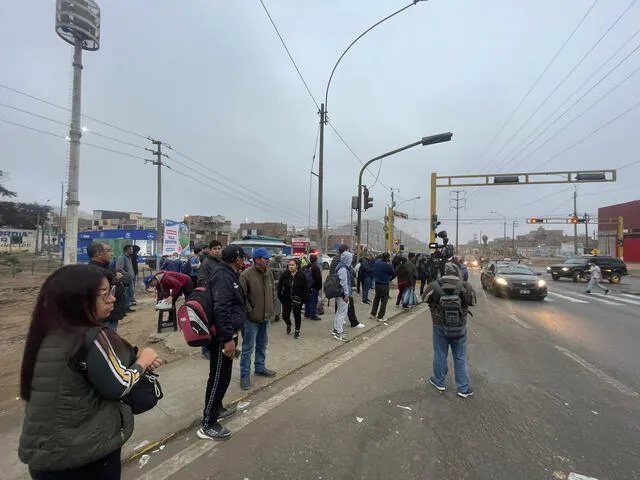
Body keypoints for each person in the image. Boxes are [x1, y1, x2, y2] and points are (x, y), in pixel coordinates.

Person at [18, 264, 162, 479]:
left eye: (111, 292)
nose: (112, 299)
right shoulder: (91, 336)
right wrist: (144, 360)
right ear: (78, 299)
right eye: (105, 294)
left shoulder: (47, 332)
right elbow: (119, 385)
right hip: (85, 453)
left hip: (44, 452)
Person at [198, 245, 247, 441]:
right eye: (242, 257)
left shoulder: (229, 273)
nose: (243, 261)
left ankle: (217, 408)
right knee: (218, 377)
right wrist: (228, 338)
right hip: (221, 337)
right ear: (237, 258)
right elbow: (221, 309)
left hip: (229, 333)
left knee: (224, 375)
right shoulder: (222, 276)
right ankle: (208, 424)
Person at [422, 262, 475, 398]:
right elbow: (473, 302)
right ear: (458, 272)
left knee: (440, 354)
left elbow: (424, 298)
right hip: (460, 326)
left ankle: (439, 381)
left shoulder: (434, 285)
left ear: (444, 272)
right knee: (460, 357)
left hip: (439, 325)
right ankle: (463, 388)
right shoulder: (465, 286)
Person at [239, 248, 277, 390]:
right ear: (257, 259)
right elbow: (242, 298)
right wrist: (250, 311)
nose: (268, 260)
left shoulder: (269, 273)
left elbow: (272, 291)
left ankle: (260, 367)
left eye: (268, 258)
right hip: (251, 319)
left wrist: (272, 307)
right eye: (265, 258)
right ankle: (244, 376)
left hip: (266, 317)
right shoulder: (246, 275)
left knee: (262, 345)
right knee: (248, 348)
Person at [87, 242, 128, 330]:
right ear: (98, 254)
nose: (112, 254)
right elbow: (110, 292)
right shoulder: (95, 272)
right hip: (106, 316)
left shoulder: (107, 268)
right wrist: (117, 279)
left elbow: (126, 281)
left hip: (112, 313)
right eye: (108, 251)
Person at [277, 258, 309, 339]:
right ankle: (288, 324)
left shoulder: (301, 275)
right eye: (289, 265)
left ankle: (297, 330)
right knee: (285, 315)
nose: (290, 267)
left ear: (297, 266)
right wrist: (280, 296)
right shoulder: (285, 274)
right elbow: (280, 285)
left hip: (297, 298)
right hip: (286, 298)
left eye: (292, 265)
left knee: (297, 314)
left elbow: (305, 288)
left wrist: (304, 299)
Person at [332, 250, 355, 342]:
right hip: (342, 294)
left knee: (339, 312)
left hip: (339, 293)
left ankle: (336, 330)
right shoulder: (343, 269)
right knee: (342, 313)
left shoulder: (340, 266)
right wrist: (346, 294)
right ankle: (339, 333)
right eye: (350, 258)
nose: (351, 260)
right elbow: (344, 283)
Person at [370, 252, 396, 322]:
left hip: (377, 284)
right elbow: (393, 273)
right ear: (387, 258)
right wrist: (389, 279)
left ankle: (373, 314)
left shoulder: (376, 263)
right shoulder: (388, 266)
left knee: (376, 299)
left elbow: (373, 271)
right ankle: (380, 317)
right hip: (384, 284)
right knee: (384, 301)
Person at [116, 245, 136, 312]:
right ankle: (125, 309)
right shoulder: (121, 257)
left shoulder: (128, 257)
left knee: (130, 293)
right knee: (126, 294)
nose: (132, 251)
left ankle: (127, 307)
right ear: (127, 250)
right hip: (126, 280)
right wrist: (128, 275)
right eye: (131, 249)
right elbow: (119, 269)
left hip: (129, 279)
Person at [304, 254, 323, 320]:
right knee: (313, 301)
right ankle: (313, 315)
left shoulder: (308, 266)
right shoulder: (316, 267)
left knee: (307, 300)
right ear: (316, 259)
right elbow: (318, 278)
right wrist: (319, 286)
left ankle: (307, 314)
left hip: (308, 287)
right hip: (314, 287)